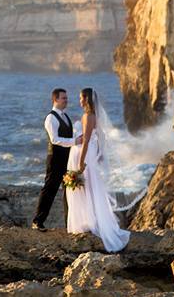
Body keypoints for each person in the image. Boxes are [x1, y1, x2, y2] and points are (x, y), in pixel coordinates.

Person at [66, 87, 130, 252]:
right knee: (90, 185)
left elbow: (86, 140)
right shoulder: (93, 116)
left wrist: (81, 162)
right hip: (90, 152)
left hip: (84, 154)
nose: (79, 101)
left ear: (86, 99)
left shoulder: (88, 116)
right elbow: (100, 133)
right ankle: (90, 220)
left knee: (88, 185)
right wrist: (100, 152)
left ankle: (91, 222)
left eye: (81, 98)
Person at [32, 88, 82, 231]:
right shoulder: (51, 118)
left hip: (67, 159)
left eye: (66, 98)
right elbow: (54, 139)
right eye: (63, 98)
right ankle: (37, 221)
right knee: (50, 189)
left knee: (69, 191)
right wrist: (75, 141)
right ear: (55, 100)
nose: (66, 100)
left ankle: (70, 224)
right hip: (55, 159)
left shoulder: (65, 116)